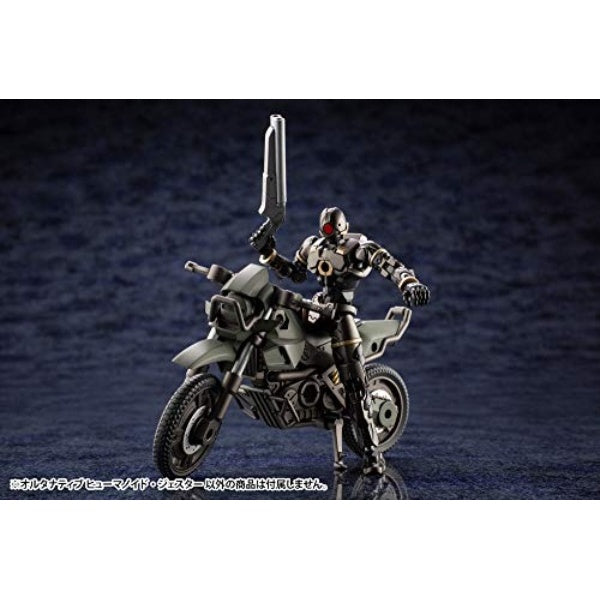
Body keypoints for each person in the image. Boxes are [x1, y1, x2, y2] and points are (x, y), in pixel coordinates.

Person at [250, 207, 430, 474]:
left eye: (332, 227)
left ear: (343, 226)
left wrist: (409, 283)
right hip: (314, 308)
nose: (329, 231)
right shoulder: (312, 246)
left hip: (340, 314)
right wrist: (270, 253)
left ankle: (371, 453)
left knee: (355, 384)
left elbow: (388, 264)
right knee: (276, 325)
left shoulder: (358, 247)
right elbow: (296, 273)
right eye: (325, 227)